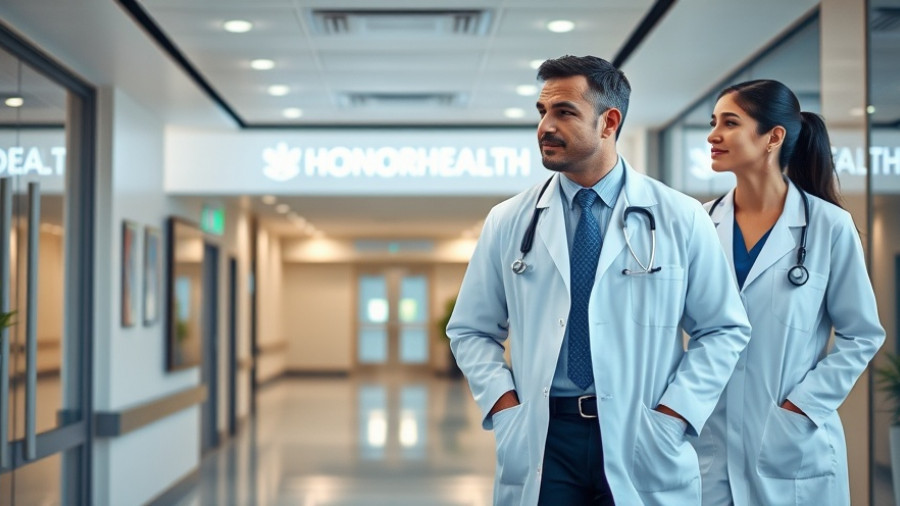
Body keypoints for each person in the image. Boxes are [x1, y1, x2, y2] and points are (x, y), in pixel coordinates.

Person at [446, 54, 752, 506]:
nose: (545, 126)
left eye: (564, 112)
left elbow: (723, 328)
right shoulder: (508, 220)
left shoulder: (680, 216)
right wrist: (503, 405)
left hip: (642, 432)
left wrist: (675, 413)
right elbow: (471, 329)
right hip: (546, 439)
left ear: (609, 122)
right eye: (542, 111)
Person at [699, 79, 885, 505]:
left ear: (773, 137)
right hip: (711, 443)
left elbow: (863, 335)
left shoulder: (827, 227)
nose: (713, 135)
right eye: (713, 122)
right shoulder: (699, 224)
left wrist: (802, 407)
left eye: (730, 122)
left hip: (789, 443)